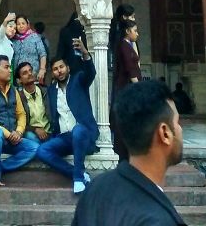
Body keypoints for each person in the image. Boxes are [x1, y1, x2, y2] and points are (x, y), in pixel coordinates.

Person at [72, 80, 186, 225]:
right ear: (164, 133)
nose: (180, 129)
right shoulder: (158, 220)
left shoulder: (96, 188)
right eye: (177, 122)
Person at [38, 37, 99, 194]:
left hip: (83, 134)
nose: (59, 71)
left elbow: (91, 72)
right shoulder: (52, 91)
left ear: (68, 68)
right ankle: (77, 173)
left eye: (62, 67)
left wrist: (85, 53)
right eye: (56, 69)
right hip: (64, 137)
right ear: (53, 73)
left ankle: (78, 180)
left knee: (78, 130)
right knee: (42, 151)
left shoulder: (79, 80)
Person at [0, 55, 39, 192]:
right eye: (6, 67)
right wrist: (8, 134)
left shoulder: (13, 90)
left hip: (10, 138)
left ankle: (0, 167)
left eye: (10, 67)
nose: (10, 70)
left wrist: (19, 132)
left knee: (33, 147)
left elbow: (21, 114)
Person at [111, 20, 142, 160]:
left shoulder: (128, 45)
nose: (137, 33)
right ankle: (123, 154)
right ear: (127, 31)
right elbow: (131, 69)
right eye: (134, 30)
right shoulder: (124, 45)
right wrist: (138, 87)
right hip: (125, 88)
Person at [16, 62, 51, 141]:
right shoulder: (18, 98)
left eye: (30, 70)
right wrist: (35, 129)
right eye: (25, 73)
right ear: (19, 80)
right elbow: (18, 122)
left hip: (50, 132)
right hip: (32, 134)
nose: (30, 74)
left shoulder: (46, 91)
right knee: (31, 137)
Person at [11, 15, 47, 84]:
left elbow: (42, 54)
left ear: (28, 24)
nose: (21, 26)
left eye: (23, 23)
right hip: (18, 78)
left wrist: (42, 69)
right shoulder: (13, 39)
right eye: (18, 24)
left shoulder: (35, 37)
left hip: (33, 75)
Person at [56, 10, 87, 75]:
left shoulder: (85, 32)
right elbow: (61, 51)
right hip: (70, 66)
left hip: (81, 66)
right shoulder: (66, 32)